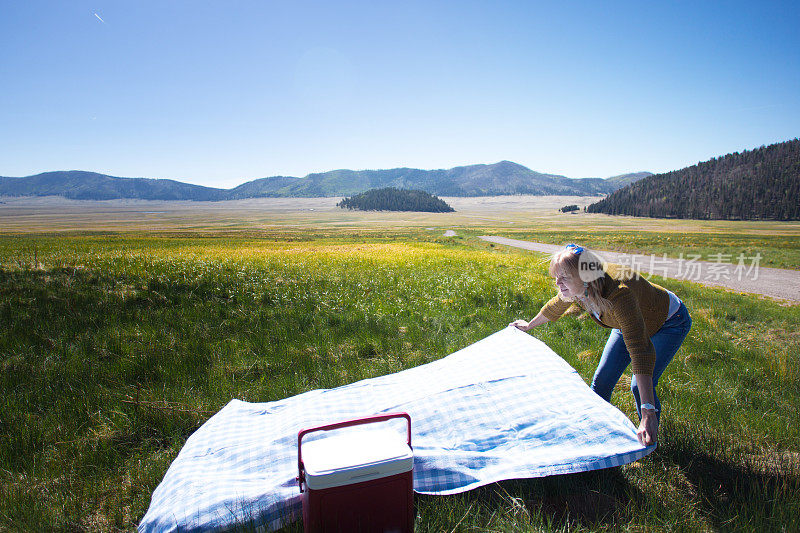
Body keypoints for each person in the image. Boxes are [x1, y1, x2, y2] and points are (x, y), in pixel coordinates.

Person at [510, 244, 692, 446]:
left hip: (669, 321)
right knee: (601, 382)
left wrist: (647, 410)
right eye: (557, 276)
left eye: (565, 277)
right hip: (627, 321)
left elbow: (640, 350)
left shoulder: (620, 296)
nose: (558, 282)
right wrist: (529, 325)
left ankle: (650, 436)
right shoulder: (579, 289)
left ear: (586, 276)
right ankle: (595, 437)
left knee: (638, 388)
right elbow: (557, 304)